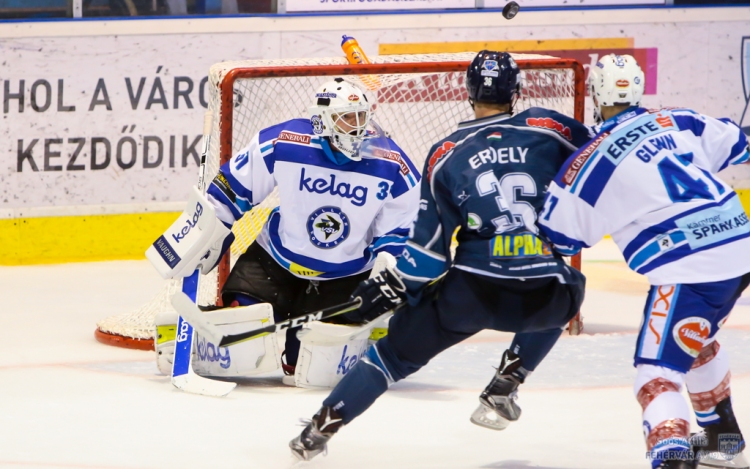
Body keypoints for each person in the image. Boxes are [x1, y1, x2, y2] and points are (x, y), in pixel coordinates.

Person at [289, 50, 594, 461]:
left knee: (391, 356)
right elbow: (600, 163)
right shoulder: (552, 127)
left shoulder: (444, 152)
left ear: (468, 92)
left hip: (471, 292)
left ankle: (318, 430)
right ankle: (508, 380)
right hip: (546, 295)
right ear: (516, 91)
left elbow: (429, 257)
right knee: (568, 285)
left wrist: (396, 286)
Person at [538, 54, 750, 469]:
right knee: (695, 338)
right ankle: (723, 441)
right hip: (740, 245)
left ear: (596, 96)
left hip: (690, 268)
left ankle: (671, 458)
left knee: (657, 374)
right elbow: (740, 144)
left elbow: (562, 237)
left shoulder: (589, 161)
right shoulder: (679, 119)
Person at [149, 77, 421, 379]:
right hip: (274, 262)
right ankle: (189, 340)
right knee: (244, 329)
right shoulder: (285, 141)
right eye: (346, 118)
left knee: (309, 367)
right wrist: (207, 230)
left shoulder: (391, 162)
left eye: (361, 117)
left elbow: (402, 227)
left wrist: (389, 268)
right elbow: (233, 189)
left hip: (344, 276)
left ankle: (368, 331)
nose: (357, 127)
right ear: (321, 121)